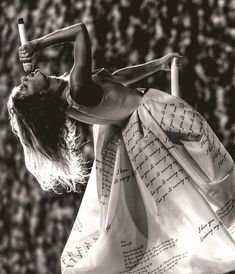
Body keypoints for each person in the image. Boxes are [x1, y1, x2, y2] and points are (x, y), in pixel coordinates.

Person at [8, 23, 235, 274]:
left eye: (23, 82)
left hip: (147, 118)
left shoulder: (71, 88)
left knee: (203, 177)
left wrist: (159, 63)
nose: (24, 78)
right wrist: (37, 44)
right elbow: (80, 32)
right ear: (40, 100)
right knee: (208, 169)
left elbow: (116, 78)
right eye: (26, 87)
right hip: (154, 116)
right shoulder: (77, 89)